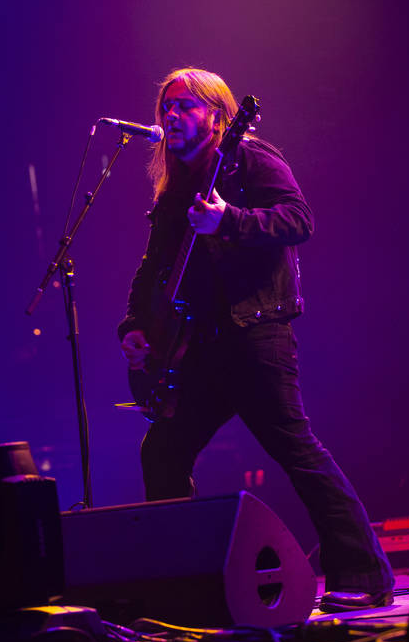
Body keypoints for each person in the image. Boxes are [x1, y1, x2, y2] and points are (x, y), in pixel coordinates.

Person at [118, 67, 394, 612]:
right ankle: (184, 585)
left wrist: (230, 221)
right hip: (201, 346)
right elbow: (153, 268)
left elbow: (298, 219)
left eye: (185, 106)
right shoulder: (175, 185)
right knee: (163, 451)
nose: (171, 116)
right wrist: (132, 326)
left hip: (257, 332)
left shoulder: (250, 157)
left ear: (217, 115)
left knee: (295, 449)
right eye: (166, 108)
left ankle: (363, 572)